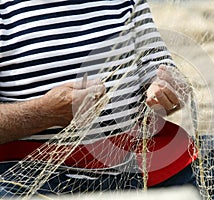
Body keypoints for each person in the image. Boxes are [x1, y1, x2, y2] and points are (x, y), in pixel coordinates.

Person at [0, 0, 198, 196]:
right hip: (27, 174)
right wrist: (43, 113)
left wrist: (168, 88)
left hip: (135, 162)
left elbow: (160, 67)